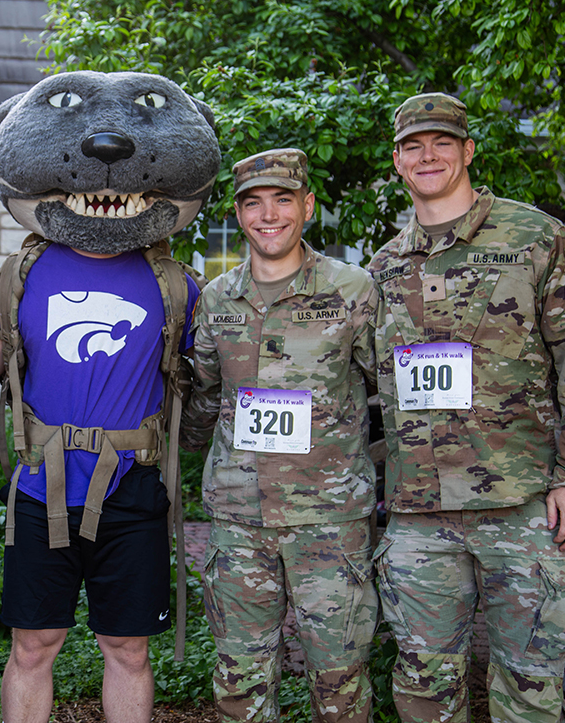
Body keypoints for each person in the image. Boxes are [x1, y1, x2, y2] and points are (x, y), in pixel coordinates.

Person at [369, 93, 565, 722]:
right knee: (424, 688)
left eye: (442, 143)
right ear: (398, 162)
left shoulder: (537, 238)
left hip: (522, 504)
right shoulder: (382, 267)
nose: (427, 156)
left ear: (467, 151)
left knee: (531, 689)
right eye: (412, 146)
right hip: (419, 516)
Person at [182, 149, 379, 723]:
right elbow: (205, 397)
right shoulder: (217, 298)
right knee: (241, 682)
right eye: (253, 203)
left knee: (339, 682)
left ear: (307, 206)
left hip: (331, 521)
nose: (268, 215)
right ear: (239, 215)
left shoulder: (352, 290)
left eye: (282, 200)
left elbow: (390, 390)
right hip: (240, 521)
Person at [0, 238, 200, 723]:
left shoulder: (173, 283)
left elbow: (221, 363)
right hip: (42, 485)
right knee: (32, 647)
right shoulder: (21, 274)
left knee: (128, 649)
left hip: (132, 486)